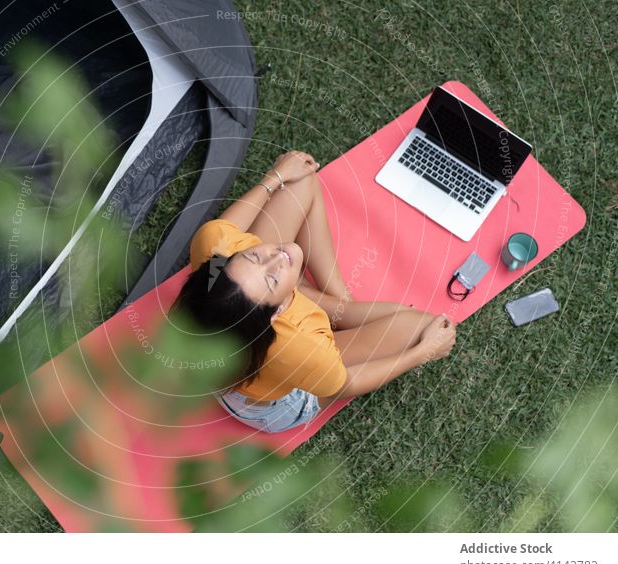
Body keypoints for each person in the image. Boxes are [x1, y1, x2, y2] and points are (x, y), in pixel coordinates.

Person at [169, 150, 457, 433]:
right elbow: (347, 384)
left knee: (299, 181)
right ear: (279, 312)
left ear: (225, 261)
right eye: (272, 280)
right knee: (420, 325)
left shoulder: (215, 250)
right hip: (267, 401)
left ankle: (339, 303)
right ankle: (336, 306)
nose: (277, 256)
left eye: (253, 256)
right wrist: (422, 353)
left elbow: (229, 226)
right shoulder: (297, 347)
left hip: (240, 336)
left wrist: (277, 175)